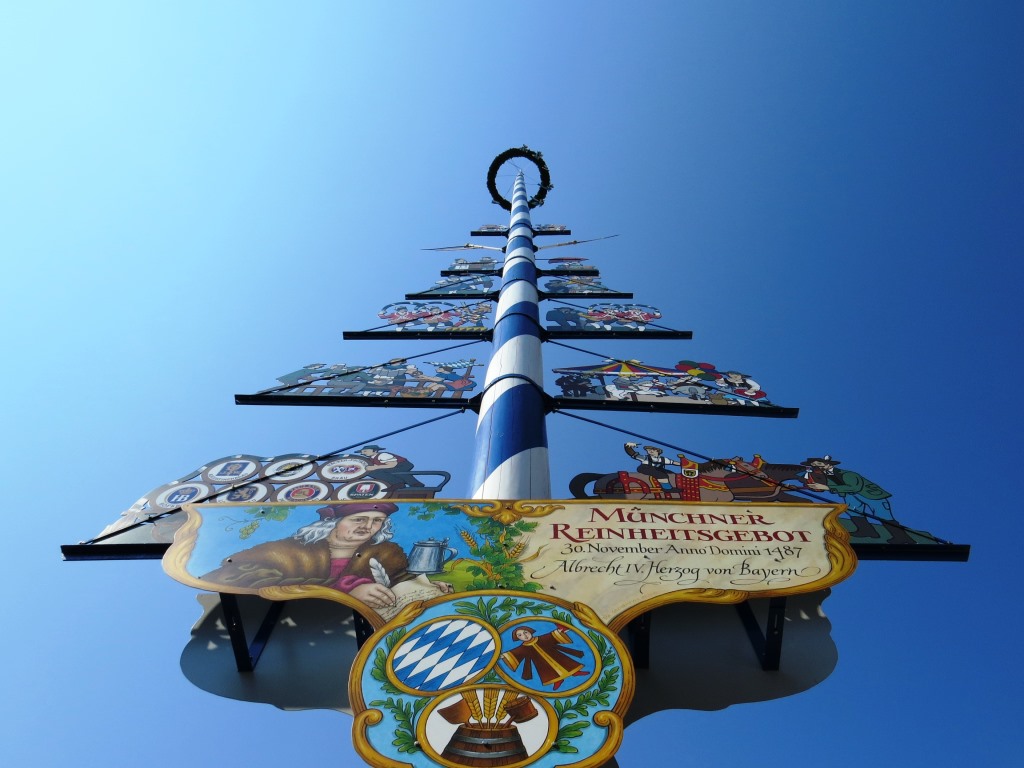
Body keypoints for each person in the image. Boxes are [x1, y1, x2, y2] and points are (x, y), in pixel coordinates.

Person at [202, 502, 450, 611]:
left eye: (377, 521)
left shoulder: (386, 552)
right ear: (332, 522)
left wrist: (424, 587)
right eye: (359, 519)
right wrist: (344, 591)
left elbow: (397, 579)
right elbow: (238, 574)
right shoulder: (287, 550)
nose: (367, 527)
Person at [500, 625, 589, 691]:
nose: (524, 635)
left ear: (530, 631)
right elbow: (514, 653)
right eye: (520, 635)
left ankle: (576, 672)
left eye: (525, 632)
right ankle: (557, 681)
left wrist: (558, 631)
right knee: (547, 672)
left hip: (555, 655)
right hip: (541, 663)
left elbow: (552, 635)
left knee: (566, 662)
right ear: (518, 638)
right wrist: (505, 656)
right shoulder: (522, 648)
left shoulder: (542, 638)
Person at [358, 445, 425, 488]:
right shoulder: (370, 459)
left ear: (375, 451)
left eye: (365, 451)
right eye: (362, 452)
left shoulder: (383, 455)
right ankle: (397, 483)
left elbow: (392, 465)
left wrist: (376, 467)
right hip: (389, 466)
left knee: (393, 470)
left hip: (402, 464)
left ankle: (415, 483)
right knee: (372, 472)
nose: (363, 453)